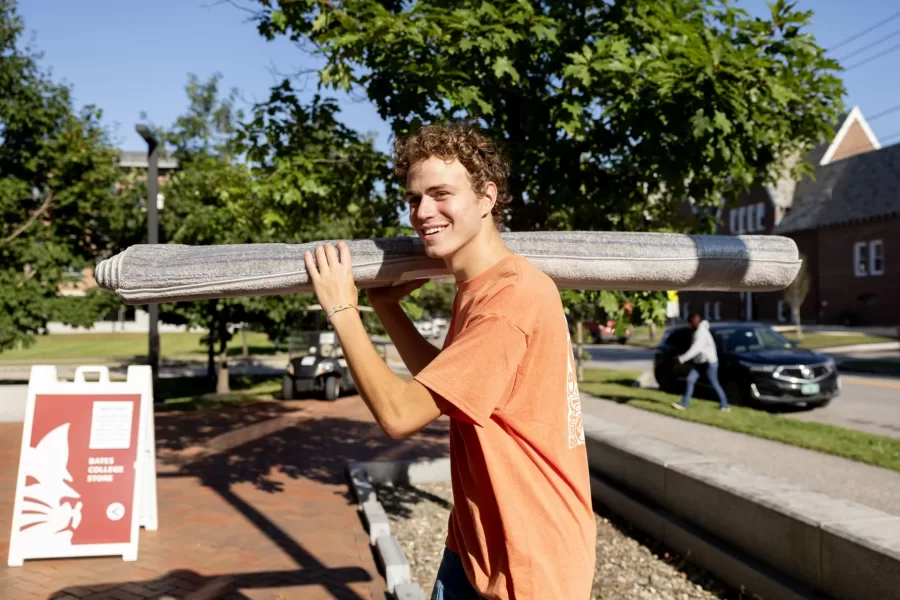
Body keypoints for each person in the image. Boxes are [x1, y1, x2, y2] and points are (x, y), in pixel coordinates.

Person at [302, 122, 596, 599]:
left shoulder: (508, 302)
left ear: (487, 198)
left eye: (441, 194)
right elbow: (445, 385)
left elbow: (400, 415)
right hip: (478, 539)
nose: (422, 212)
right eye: (414, 198)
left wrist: (343, 309)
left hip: (530, 562)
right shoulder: (484, 286)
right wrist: (386, 308)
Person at [671, 313, 731, 412]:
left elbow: (696, 348)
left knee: (714, 383)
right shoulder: (698, 331)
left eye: (690, 323)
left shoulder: (701, 333)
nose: (689, 326)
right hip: (700, 363)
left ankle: (724, 405)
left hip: (709, 363)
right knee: (690, 380)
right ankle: (684, 403)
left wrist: (682, 358)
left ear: (694, 322)